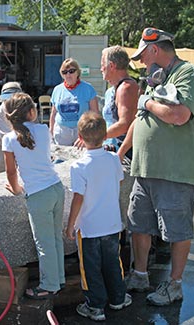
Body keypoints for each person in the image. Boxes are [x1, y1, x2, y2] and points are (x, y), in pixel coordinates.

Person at [124, 27, 194, 306]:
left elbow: (179, 115)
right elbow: (139, 120)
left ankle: (174, 285)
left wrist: (147, 102)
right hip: (145, 168)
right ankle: (139, 275)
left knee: (177, 229)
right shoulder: (154, 78)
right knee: (138, 224)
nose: (141, 62)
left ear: (154, 50)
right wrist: (123, 151)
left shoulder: (188, 73)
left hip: (175, 170)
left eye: (143, 56)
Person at [65, 112, 131, 321]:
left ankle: (95, 306)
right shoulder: (113, 159)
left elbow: (78, 198)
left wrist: (70, 225)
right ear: (105, 136)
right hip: (112, 225)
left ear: (80, 137)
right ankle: (118, 298)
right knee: (113, 263)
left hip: (89, 228)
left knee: (90, 268)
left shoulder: (78, 166)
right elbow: (119, 181)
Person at [2, 93, 65, 299]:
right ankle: (59, 278)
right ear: (31, 112)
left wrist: (16, 188)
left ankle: (48, 285)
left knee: (43, 243)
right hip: (56, 187)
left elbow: (11, 172)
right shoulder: (43, 129)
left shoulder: (9, 139)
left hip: (38, 194)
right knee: (56, 239)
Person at [50, 58, 99, 146]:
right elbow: (53, 113)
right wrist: (51, 132)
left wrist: (89, 135)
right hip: (62, 132)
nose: (68, 75)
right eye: (65, 72)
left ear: (77, 72)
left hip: (82, 131)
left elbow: (95, 114)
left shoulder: (88, 88)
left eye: (71, 71)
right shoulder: (57, 90)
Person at [100, 46, 138, 156]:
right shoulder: (116, 89)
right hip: (117, 147)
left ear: (111, 66)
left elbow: (124, 125)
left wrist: (95, 138)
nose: (101, 69)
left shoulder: (126, 88)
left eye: (103, 65)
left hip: (127, 152)